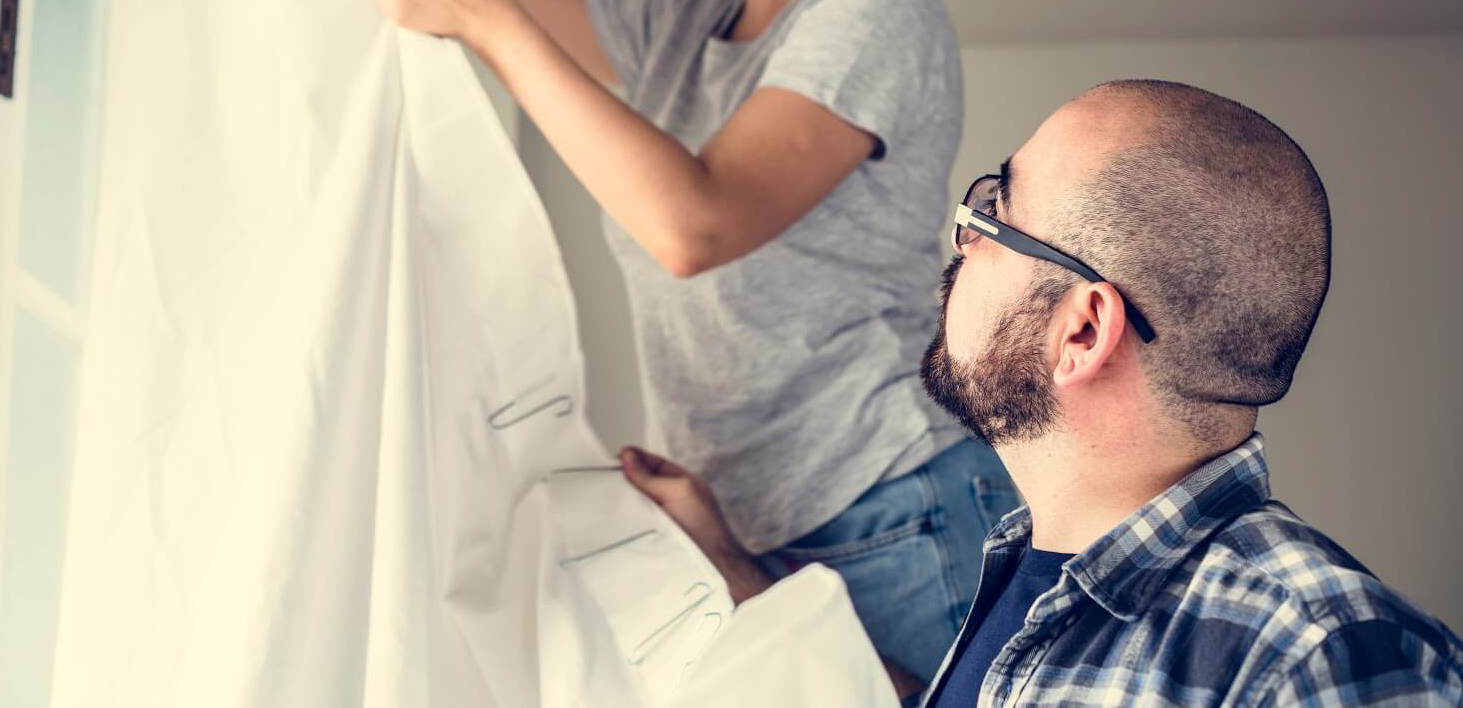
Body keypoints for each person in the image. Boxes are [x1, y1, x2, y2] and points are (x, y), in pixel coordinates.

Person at [340, 0, 1010, 692]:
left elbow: (692, 221)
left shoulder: (879, 3)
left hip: (892, 513)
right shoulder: (678, 24)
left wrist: (486, 21)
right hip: (744, 531)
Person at [621, 79, 1463, 706]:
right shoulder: (1032, 577)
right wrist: (735, 573)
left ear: (1083, 331)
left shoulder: (1321, 649)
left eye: (994, 212)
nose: (958, 240)